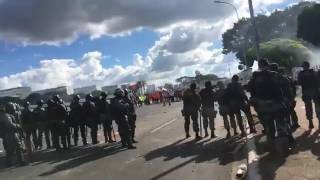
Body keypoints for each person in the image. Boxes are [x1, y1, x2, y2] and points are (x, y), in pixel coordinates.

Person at [248, 59, 295, 146]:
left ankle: (272, 146)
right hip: (277, 104)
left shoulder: (255, 78)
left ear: (259, 66)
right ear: (268, 65)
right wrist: (288, 100)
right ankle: (288, 141)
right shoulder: (275, 75)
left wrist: (257, 105)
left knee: (269, 128)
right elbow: (287, 87)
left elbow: (251, 92)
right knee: (282, 124)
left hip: (263, 107)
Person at [298, 61, 320, 129]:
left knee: (308, 107)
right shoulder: (314, 72)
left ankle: (310, 122)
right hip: (314, 91)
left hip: (306, 91)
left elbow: (299, 83)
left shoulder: (301, 74)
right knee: (317, 106)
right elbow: (318, 81)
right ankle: (318, 121)